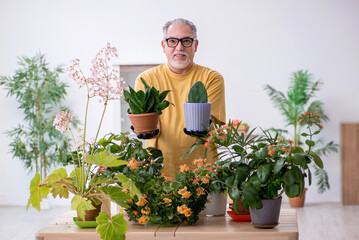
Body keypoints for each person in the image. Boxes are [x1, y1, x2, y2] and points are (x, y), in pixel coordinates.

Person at [135, 18, 226, 179]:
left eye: (186, 41)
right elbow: (149, 124)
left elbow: (210, 120)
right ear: (164, 46)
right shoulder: (146, 79)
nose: (179, 47)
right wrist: (146, 129)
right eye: (172, 41)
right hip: (160, 170)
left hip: (202, 170)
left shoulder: (211, 78)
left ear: (195, 45)